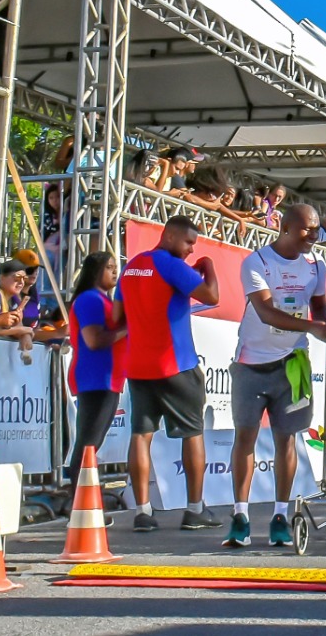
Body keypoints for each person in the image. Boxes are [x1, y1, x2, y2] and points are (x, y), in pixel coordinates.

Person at [224, 205, 326, 549]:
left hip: (292, 362)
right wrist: (314, 327)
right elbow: (266, 312)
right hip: (251, 362)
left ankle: (280, 516)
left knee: (286, 440)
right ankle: (240, 516)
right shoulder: (256, 262)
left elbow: (318, 305)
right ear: (285, 227)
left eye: (317, 229)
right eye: (307, 229)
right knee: (245, 437)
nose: (314, 235)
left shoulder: (316, 265)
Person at [113, 215, 221, 532]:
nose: (191, 250)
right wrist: (208, 266)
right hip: (176, 365)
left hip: (138, 366)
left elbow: (118, 317)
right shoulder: (171, 265)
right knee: (193, 433)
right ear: (170, 236)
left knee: (140, 435)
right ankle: (195, 509)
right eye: (188, 242)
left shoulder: (131, 267)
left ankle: (142, 512)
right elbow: (212, 296)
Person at [65, 251, 126, 492]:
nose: (115, 271)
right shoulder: (90, 299)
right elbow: (94, 340)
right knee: (88, 443)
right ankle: (78, 499)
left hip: (107, 379)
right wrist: (127, 328)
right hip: (96, 378)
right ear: (94, 271)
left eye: (115, 266)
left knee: (92, 442)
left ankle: (83, 496)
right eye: (109, 267)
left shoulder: (103, 300)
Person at [0, 260, 35, 364]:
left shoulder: (15, 300)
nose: (21, 283)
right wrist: (24, 330)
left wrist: (25, 334)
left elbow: (18, 327)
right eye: (17, 278)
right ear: (1, 278)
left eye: (24, 278)